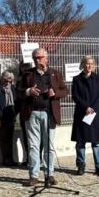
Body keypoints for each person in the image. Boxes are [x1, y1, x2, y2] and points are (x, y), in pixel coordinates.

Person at [17, 48, 67, 186]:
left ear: (47, 58)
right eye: (35, 58)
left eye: (40, 57)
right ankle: (33, 175)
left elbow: (65, 90)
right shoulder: (28, 74)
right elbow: (19, 92)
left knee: (49, 146)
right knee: (33, 146)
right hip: (32, 113)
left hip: (48, 113)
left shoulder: (55, 74)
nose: (38, 60)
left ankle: (49, 174)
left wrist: (54, 93)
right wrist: (28, 91)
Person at [71, 56, 99, 176]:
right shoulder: (76, 79)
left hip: (95, 114)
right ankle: (81, 165)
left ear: (94, 65)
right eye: (87, 63)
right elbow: (75, 96)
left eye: (91, 63)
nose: (89, 66)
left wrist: (93, 108)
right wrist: (86, 107)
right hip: (82, 113)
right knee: (80, 142)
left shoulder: (98, 78)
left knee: (96, 142)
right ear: (83, 65)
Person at [0, 70, 19, 166]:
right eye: (6, 80)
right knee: (3, 138)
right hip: (1, 116)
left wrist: (15, 112)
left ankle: (11, 158)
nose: (8, 83)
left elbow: (17, 101)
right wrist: (0, 114)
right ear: (2, 80)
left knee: (10, 138)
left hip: (11, 115)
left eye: (10, 81)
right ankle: (5, 159)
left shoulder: (13, 88)